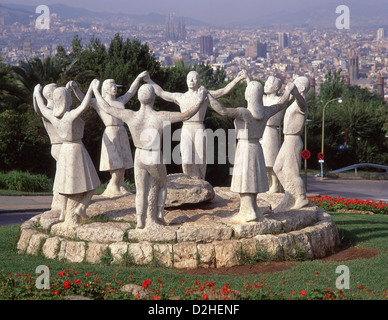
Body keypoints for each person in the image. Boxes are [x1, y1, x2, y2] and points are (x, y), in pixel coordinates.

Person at [93, 80, 207, 229]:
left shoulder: (130, 115)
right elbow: (186, 115)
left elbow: (107, 108)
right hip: (154, 155)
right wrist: (199, 101)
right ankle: (158, 213)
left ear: (139, 99)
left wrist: (96, 90)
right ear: (153, 98)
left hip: (139, 156)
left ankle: (140, 220)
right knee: (161, 185)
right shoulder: (161, 116)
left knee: (140, 191)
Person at [207, 79, 295, 223]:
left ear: (248, 95)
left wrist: (208, 96)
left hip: (245, 148)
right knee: (252, 180)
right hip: (257, 147)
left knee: (245, 181)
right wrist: (288, 90)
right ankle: (252, 209)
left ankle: (248, 212)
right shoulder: (266, 111)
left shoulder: (244, 112)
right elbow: (281, 104)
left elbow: (221, 110)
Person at [145, 70, 248, 180]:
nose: (191, 80)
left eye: (194, 78)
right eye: (189, 78)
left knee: (200, 157)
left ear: (198, 81)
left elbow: (223, 91)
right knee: (186, 158)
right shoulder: (181, 97)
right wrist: (149, 80)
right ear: (186, 81)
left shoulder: (204, 94)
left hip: (199, 127)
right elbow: (161, 93)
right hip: (186, 128)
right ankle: (189, 180)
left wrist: (237, 79)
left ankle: (200, 180)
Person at [67, 72, 148, 197]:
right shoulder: (99, 102)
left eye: (115, 86)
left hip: (122, 131)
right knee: (116, 163)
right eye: (111, 86)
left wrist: (138, 78)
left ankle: (121, 185)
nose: (114, 88)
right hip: (110, 133)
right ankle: (113, 185)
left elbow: (131, 91)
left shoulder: (120, 100)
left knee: (124, 163)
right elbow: (84, 99)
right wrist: (76, 88)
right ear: (105, 89)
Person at [33, 80, 101, 225]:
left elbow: (42, 107)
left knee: (63, 185)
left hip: (64, 149)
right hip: (76, 149)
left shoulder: (53, 116)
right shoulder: (71, 116)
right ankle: (81, 207)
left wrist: (37, 93)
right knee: (93, 182)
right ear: (68, 100)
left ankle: (63, 212)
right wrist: (91, 88)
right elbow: (84, 105)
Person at [273, 76, 310, 211]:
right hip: (287, 139)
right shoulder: (294, 102)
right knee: (277, 168)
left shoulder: (302, 103)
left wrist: (294, 92)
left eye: (295, 84)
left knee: (292, 172)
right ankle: (290, 194)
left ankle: (301, 197)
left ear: (300, 88)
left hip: (293, 140)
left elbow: (302, 104)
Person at [261, 76, 284, 193]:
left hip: (271, 131)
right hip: (262, 131)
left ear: (276, 87)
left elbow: (287, 98)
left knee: (272, 161)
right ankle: (268, 183)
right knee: (264, 161)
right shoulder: (263, 99)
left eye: (269, 83)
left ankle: (275, 184)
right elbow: (252, 93)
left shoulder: (278, 100)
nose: (265, 85)